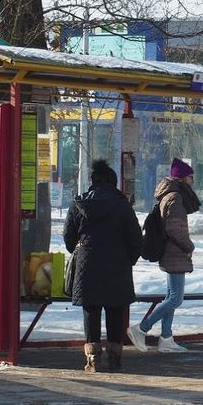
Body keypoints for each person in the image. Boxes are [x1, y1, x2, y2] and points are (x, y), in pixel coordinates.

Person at [63, 159, 143, 372]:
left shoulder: (79, 205)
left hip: (87, 265)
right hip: (118, 266)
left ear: (92, 181)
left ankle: (92, 359)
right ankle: (115, 358)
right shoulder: (123, 206)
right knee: (115, 309)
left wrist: (80, 253)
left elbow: (68, 238)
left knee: (91, 309)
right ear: (113, 182)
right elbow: (136, 239)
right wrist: (129, 259)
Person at [128, 157, 200, 353]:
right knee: (176, 299)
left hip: (170, 251)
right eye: (190, 177)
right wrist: (189, 246)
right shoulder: (176, 197)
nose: (192, 181)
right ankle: (141, 329)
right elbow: (176, 229)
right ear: (182, 178)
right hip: (174, 251)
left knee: (171, 296)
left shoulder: (168, 195)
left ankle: (166, 338)